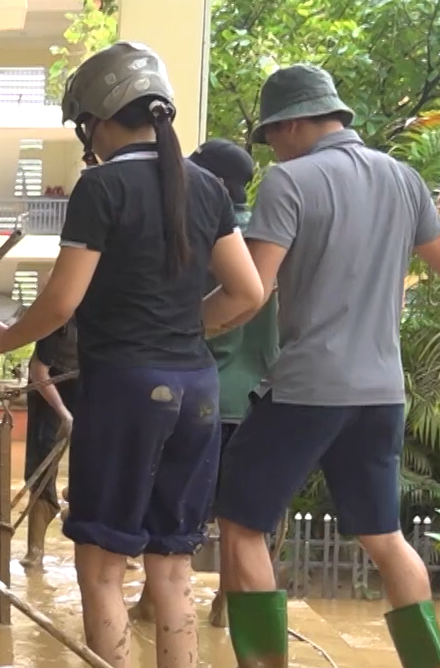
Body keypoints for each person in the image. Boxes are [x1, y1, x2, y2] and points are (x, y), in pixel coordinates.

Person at [0, 43, 263, 668]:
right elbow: (248, 292)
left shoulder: (100, 189)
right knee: (172, 564)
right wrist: (183, 328)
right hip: (197, 389)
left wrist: (0, 339)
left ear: (95, 122)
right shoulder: (207, 187)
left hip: (126, 391)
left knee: (100, 565)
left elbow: (63, 303)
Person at [202, 65, 440, 668]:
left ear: (294, 124)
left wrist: (178, 329)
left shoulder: (292, 182)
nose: (273, 150)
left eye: (273, 137)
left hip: (306, 389)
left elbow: (251, 291)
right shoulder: (402, 179)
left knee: (240, 519)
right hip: (382, 392)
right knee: (385, 537)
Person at [128, 138, 282, 625]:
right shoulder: (270, 235)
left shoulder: (201, 230)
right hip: (260, 397)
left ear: (210, 182)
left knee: (173, 509)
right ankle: (228, 615)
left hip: (199, 393)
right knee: (245, 521)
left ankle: (156, 603)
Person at [20, 319, 78, 568]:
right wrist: (64, 413)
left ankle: (81, 517)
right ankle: (35, 550)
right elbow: (38, 370)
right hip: (47, 389)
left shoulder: (111, 316)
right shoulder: (59, 319)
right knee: (43, 463)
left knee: (100, 462)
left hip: (85, 386)